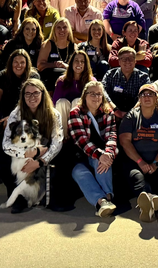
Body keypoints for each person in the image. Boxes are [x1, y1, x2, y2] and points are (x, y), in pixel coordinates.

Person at [2, 79, 67, 213]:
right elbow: (6, 144)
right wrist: (26, 154)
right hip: (24, 150)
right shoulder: (16, 114)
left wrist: (40, 161)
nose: (32, 97)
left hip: (46, 151)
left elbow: (57, 142)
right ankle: (18, 197)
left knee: (64, 155)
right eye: (28, 94)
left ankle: (52, 197)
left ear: (43, 94)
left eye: (36, 93)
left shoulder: (54, 114)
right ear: (23, 96)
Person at [118, 84, 158, 222]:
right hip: (135, 162)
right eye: (143, 94)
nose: (147, 97)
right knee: (137, 178)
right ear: (139, 98)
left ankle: (148, 203)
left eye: (151, 94)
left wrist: (155, 164)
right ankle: (150, 200)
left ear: (156, 98)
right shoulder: (131, 116)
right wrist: (140, 162)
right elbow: (125, 141)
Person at [69, 81, 118, 217]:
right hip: (80, 156)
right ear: (85, 95)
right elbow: (81, 140)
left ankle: (108, 199)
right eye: (92, 94)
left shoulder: (108, 113)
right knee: (79, 172)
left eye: (99, 94)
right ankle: (101, 201)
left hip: (101, 154)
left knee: (102, 162)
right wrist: (100, 154)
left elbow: (111, 136)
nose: (96, 97)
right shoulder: (76, 113)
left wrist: (108, 153)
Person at [0, 49, 40, 134]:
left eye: (22, 62)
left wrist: (13, 117)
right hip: (4, 110)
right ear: (11, 63)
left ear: (27, 64)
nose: (19, 65)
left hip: (25, 111)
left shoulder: (33, 76)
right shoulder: (2, 75)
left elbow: (33, 101)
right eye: (16, 62)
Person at [54, 50, 96, 135]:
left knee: (77, 101)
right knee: (62, 102)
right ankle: (64, 136)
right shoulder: (62, 80)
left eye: (82, 62)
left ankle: (77, 135)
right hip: (64, 116)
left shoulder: (91, 81)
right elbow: (55, 102)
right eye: (76, 61)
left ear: (85, 65)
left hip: (83, 119)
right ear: (71, 63)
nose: (79, 64)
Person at [102, 47, 151, 119]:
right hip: (112, 112)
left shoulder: (143, 77)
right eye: (124, 59)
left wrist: (132, 112)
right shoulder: (110, 75)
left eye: (130, 59)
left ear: (135, 61)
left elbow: (146, 94)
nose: (127, 62)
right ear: (119, 61)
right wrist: (115, 110)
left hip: (136, 114)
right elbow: (103, 92)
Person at [37, 18, 77, 90]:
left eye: (64, 27)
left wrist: (65, 66)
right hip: (50, 79)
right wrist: (55, 64)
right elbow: (40, 65)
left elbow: (77, 67)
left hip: (68, 78)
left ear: (69, 30)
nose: (62, 30)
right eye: (58, 27)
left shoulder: (74, 47)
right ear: (54, 30)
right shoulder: (47, 44)